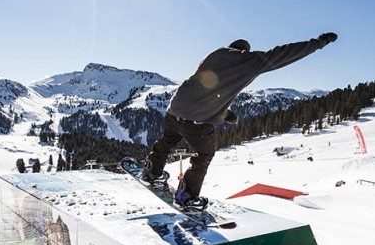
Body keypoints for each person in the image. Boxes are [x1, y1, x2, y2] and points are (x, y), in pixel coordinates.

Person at [141, 32, 339, 208]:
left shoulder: (214, 55)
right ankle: (187, 195)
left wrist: (225, 114)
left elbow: (209, 89)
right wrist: (319, 42)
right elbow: (284, 53)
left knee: (168, 140)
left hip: (175, 108)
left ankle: (152, 171)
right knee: (204, 154)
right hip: (195, 120)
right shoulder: (250, 62)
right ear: (244, 51)